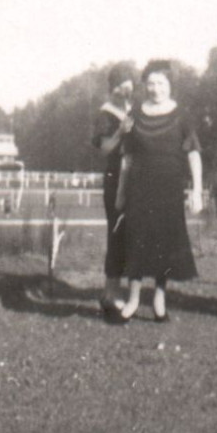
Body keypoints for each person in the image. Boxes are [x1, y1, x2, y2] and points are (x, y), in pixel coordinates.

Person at [117, 61, 202, 322]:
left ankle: (159, 299)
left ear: (170, 85)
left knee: (164, 242)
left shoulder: (182, 115)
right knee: (136, 240)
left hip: (169, 189)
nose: (156, 89)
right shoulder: (134, 114)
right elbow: (127, 156)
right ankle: (132, 300)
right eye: (151, 84)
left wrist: (197, 190)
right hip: (139, 188)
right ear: (144, 85)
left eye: (161, 84)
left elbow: (194, 153)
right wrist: (121, 191)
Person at [91, 61, 135, 319]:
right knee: (117, 231)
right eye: (120, 83)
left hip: (134, 176)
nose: (125, 87)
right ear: (112, 88)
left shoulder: (134, 109)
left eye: (128, 82)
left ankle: (126, 292)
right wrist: (120, 131)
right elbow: (105, 148)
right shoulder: (105, 115)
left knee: (131, 233)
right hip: (115, 175)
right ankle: (111, 292)